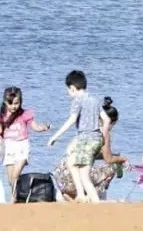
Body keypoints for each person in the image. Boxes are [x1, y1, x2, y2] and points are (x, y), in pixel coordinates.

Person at [47, 70, 108, 203]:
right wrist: (103, 136)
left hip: (85, 140)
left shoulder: (77, 101)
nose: (68, 93)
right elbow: (106, 119)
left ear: (73, 88)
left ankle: (96, 202)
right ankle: (81, 194)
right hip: (96, 139)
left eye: (68, 90)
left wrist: (55, 137)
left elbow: (72, 120)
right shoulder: (95, 100)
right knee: (71, 162)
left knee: (84, 175)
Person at [52, 97, 129, 201]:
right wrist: (122, 158)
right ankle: (93, 196)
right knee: (113, 166)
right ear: (113, 122)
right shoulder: (104, 132)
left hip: (61, 176)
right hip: (75, 178)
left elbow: (73, 150)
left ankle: (72, 195)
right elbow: (108, 159)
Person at [0, 87, 51, 202]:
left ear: (20, 102)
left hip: (22, 146)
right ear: (5, 102)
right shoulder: (2, 116)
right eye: (10, 103)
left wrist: (43, 128)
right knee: (10, 179)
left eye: (16, 103)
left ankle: (13, 199)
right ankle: (18, 196)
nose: (13, 106)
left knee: (15, 175)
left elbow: (35, 126)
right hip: (8, 148)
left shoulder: (24, 114)